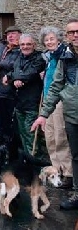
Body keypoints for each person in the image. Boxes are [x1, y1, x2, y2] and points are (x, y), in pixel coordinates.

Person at [31, 18, 78, 210]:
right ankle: (77, 192)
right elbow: (56, 86)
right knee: (76, 156)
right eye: (71, 32)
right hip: (73, 114)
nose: (75, 35)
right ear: (66, 36)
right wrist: (43, 114)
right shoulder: (65, 59)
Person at [5, 33, 47, 159]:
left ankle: (35, 160)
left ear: (34, 45)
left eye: (28, 44)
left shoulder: (39, 58)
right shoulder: (19, 56)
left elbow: (31, 73)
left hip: (33, 102)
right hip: (19, 102)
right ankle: (28, 159)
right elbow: (15, 70)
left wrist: (12, 77)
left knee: (31, 134)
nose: (25, 46)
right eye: (23, 44)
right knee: (22, 134)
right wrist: (13, 76)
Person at [40, 26, 72, 182]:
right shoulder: (49, 57)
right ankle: (56, 171)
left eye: (52, 39)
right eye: (46, 40)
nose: (49, 42)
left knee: (61, 137)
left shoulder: (64, 55)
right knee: (50, 137)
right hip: (48, 99)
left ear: (59, 39)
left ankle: (68, 173)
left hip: (59, 101)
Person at [0, 25, 21, 143]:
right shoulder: (4, 49)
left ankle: (9, 138)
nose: (11, 36)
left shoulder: (20, 50)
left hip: (13, 88)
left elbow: (13, 64)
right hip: (0, 88)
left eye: (14, 34)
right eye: (8, 35)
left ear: (20, 35)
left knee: (9, 115)